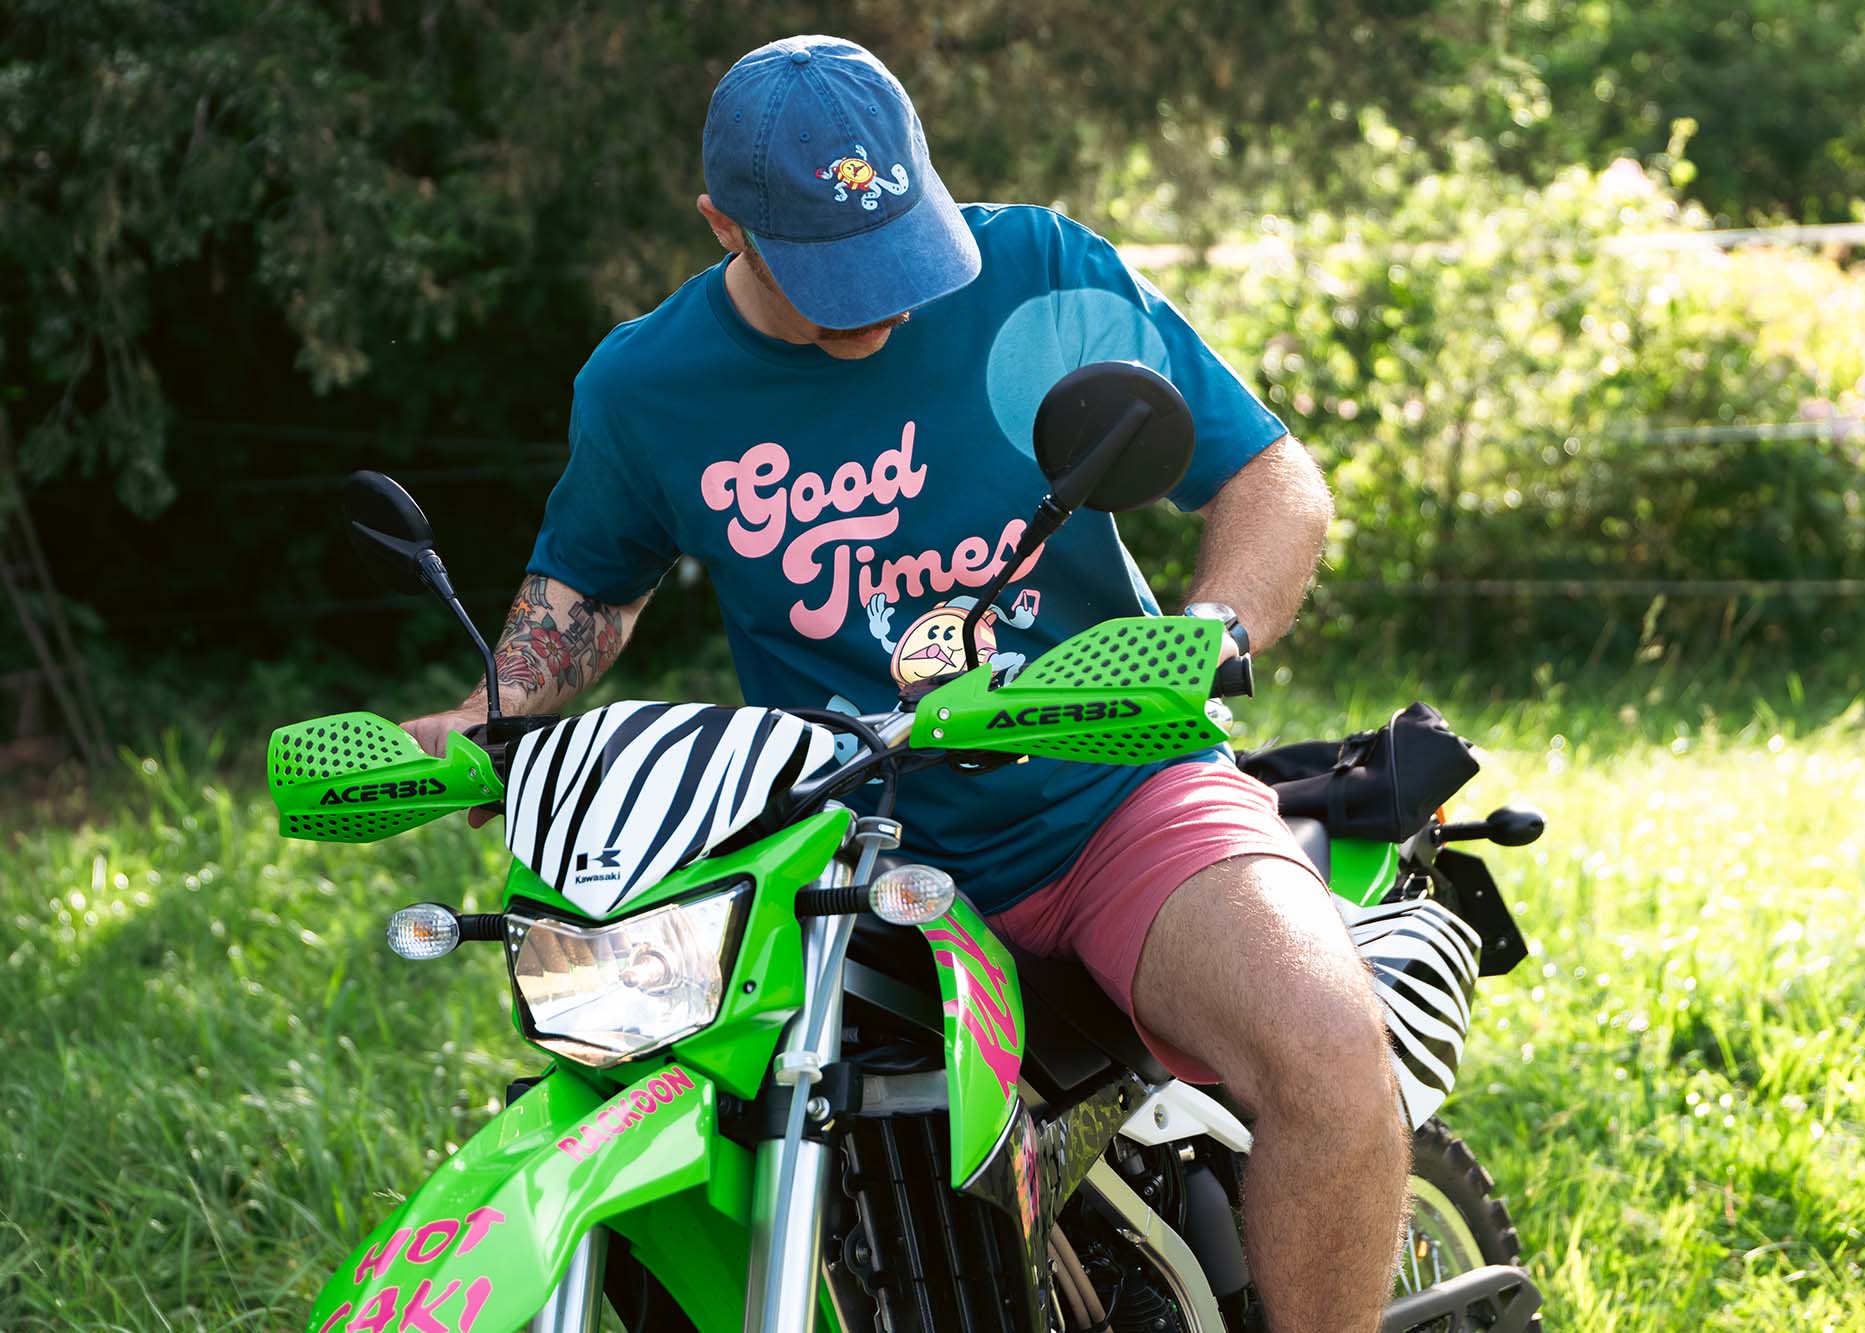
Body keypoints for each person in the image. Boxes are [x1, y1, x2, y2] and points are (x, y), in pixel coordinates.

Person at [402, 34, 1404, 1331]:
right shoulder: (650, 388)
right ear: (724, 226)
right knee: (656, 1085)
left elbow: (1270, 478)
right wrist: (492, 717)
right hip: (833, 858)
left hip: (1113, 799)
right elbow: (587, 591)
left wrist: (1209, 631)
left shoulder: (1035, 276)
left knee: (1327, 1053)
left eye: (899, 249)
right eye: (837, 276)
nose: (883, 302)